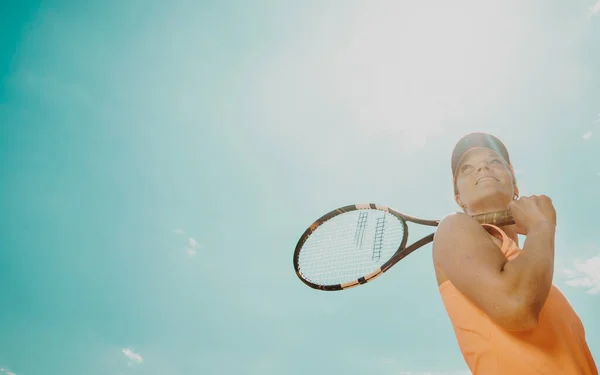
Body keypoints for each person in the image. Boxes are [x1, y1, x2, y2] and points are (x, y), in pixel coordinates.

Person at [432, 132, 598, 374]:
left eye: (495, 162)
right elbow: (517, 308)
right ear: (459, 198)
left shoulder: (537, 274)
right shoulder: (453, 226)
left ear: (515, 185)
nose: (482, 168)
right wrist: (541, 226)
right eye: (466, 169)